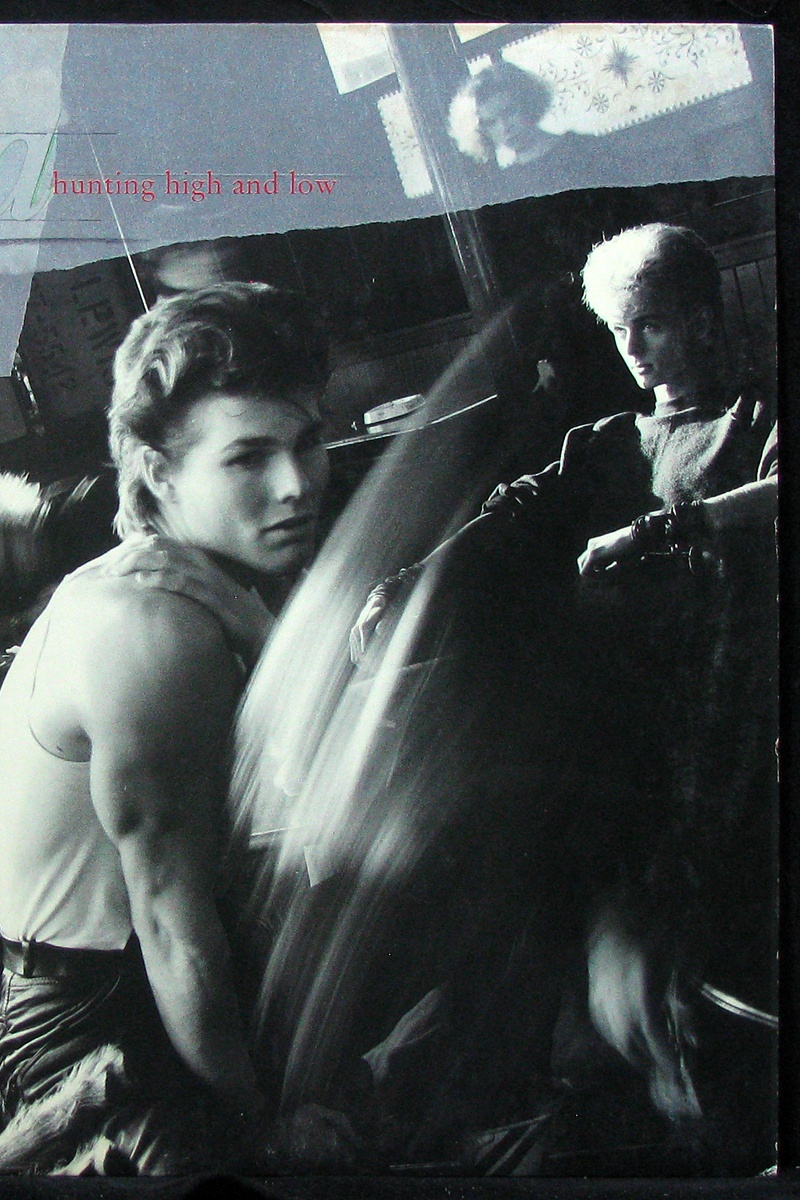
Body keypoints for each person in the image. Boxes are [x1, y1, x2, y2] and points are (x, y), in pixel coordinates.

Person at [345, 223, 776, 1168]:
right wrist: (406, 583)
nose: (633, 350)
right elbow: (512, 513)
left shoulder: (752, 425)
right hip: (625, 737)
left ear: (703, 321)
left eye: (651, 324)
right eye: (620, 330)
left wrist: (662, 530)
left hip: (733, 724)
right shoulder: (612, 444)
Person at [0, 282, 330, 1173]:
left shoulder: (220, 581)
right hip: (92, 1034)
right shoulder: (152, 628)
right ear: (159, 473)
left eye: (307, 442)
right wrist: (263, 1128)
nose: (295, 485)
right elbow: (174, 929)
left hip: (203, 971)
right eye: (248, 458)